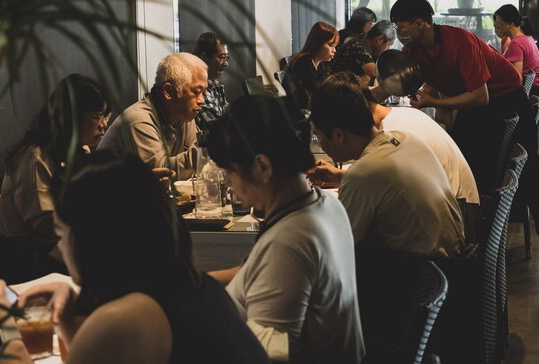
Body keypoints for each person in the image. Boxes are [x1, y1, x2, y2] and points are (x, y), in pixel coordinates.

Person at [0, 153, 270, 364]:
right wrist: (68, 319)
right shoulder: (193, 287)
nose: (62, 248)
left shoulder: (123, 320)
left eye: (62, 235)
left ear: (93, 238)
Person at [388, 0, 539, 280]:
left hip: (506, 101)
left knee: (529, 173)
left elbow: (479, 96)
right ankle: (467, 249)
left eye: (402, 26)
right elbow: (440, 93)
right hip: (475, 109)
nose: (399, 33)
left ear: (421, 23)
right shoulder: (415, 53)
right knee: (459, 170)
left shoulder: (458, 41)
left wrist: (434, 105)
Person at [204, 95, 364, 364]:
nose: (230, 184)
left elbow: (268, 356)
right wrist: (193, 284)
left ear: (262, 166)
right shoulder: (324, 205)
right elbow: (257, 273)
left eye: (230, 172)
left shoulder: (289, 242)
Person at [309, 82, 465, 258]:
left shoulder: (364, 173)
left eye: (319, 136)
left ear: (338, 134)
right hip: (453, 256)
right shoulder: (405, 137)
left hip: (425, 273)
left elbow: (338, 248)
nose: (319, 142)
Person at [0, 74, 110, 242]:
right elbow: (48, 226)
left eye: (105, 116)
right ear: (71, 117)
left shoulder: (80, 149)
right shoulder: (36, 158)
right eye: (96, 117)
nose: (103, 125)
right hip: (29, 255)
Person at [99, 53, 206, 179]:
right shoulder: (139, 119)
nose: (202, 100)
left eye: (204, 92)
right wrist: (208, 149)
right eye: (196, 92)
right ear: (168, 91)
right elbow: (162, 172)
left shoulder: (183, 116)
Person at [282, 22, 338, 109]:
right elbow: (312, 96)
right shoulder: (303, 63)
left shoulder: (319, 64)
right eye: (331, 45)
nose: (334, 50)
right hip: (300, 113)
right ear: (318, 43)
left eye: (335, 46)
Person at [324, 20, 395, 85]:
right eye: (388, 45)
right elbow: (374, 73)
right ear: (380, 39)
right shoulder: (358, 45)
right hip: (332, 86)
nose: (387, 49)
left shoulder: (366, 42)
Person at [494, 3, 539, 92]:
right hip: (536, 88)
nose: (497, 29)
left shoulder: (516, 44)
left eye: (499, 25)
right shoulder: (527, 38)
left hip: (530, 91)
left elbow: (515, 79)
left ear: (510, 24)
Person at [192, 31, 231, 131]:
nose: (226, 63)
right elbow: (213, 127)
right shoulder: (195, 86)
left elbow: (229, 114)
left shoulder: (215, 85)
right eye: (222, 57)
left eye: (227, 58)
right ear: (204, 57)